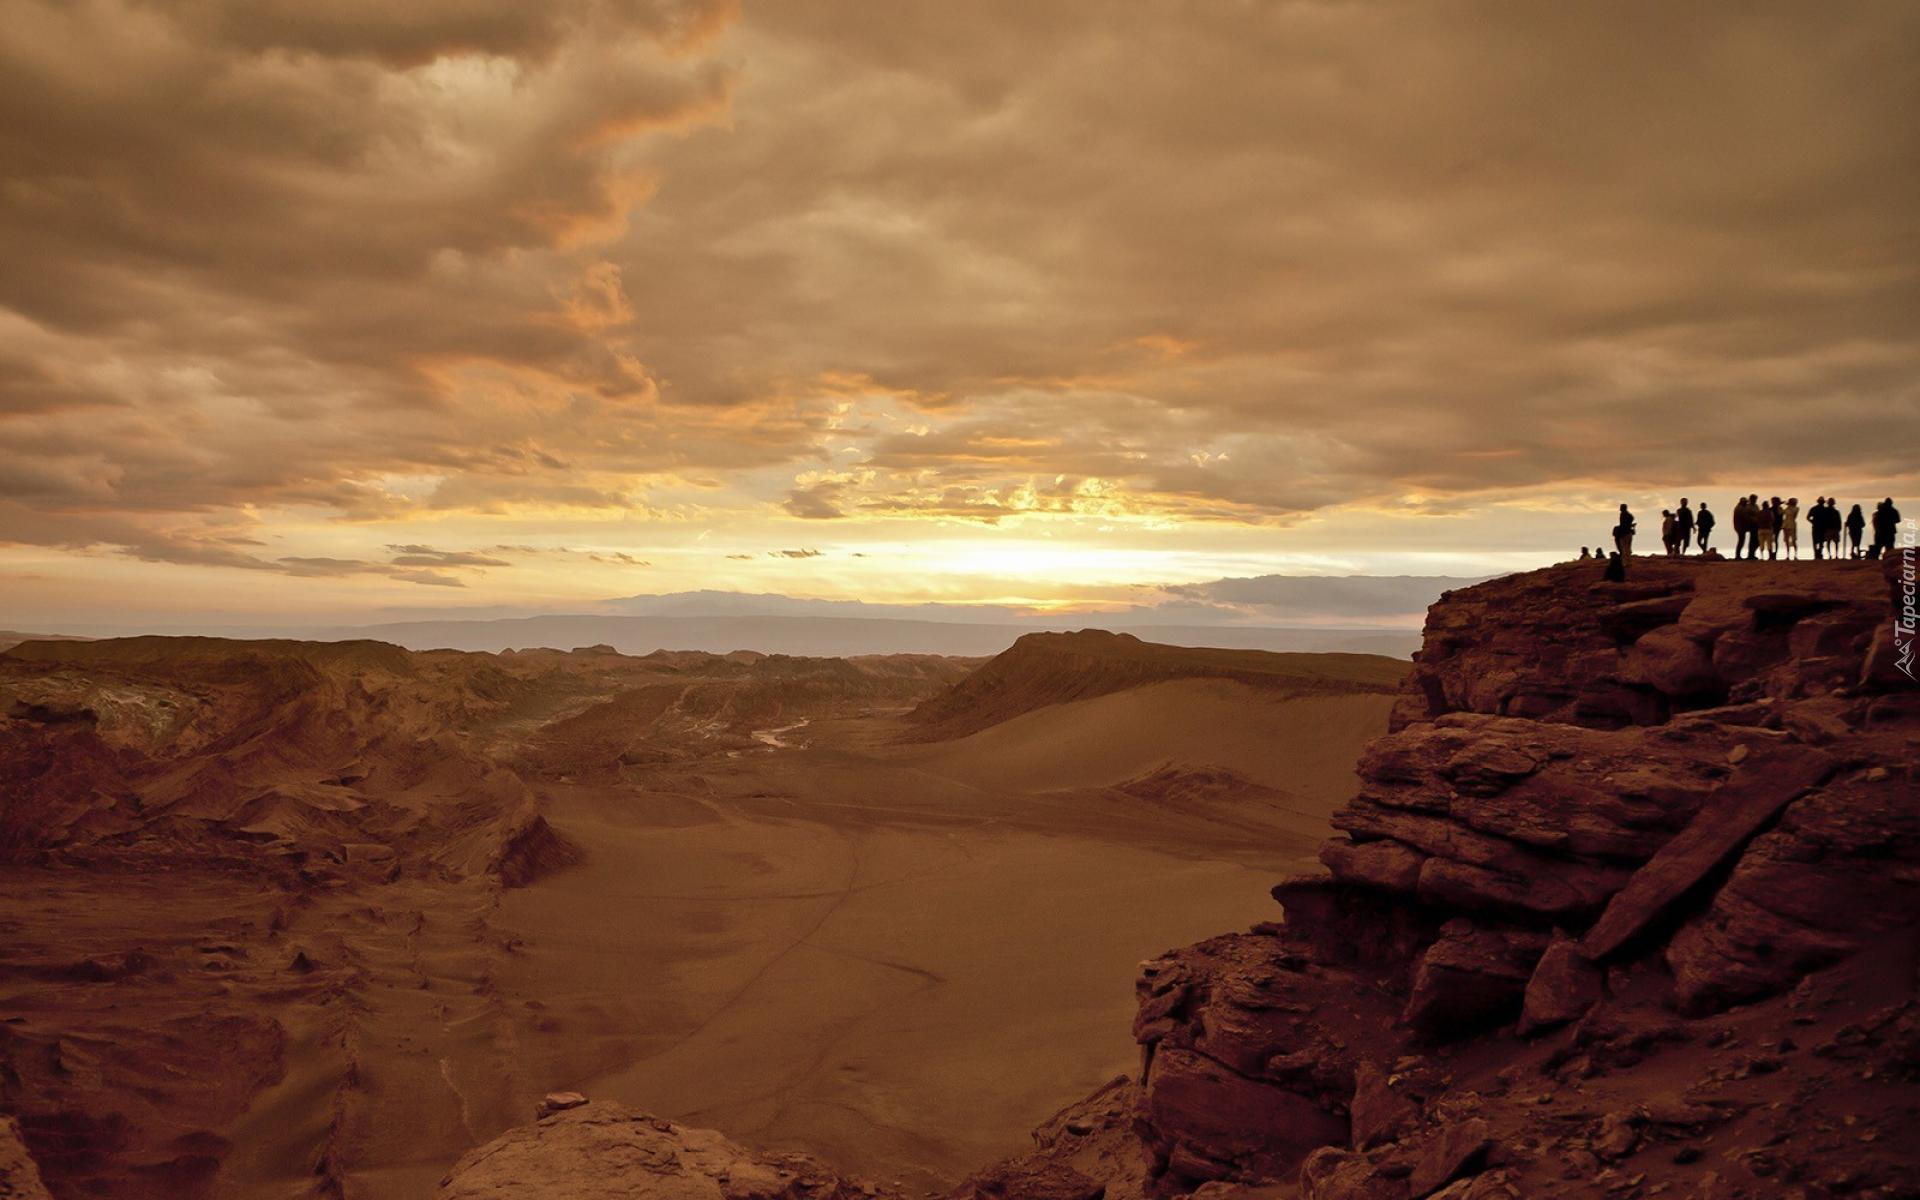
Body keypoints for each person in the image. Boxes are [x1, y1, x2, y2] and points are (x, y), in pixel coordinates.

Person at [1733, 495, 1756, 560]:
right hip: (1741, 527)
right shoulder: (1741, 509)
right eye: (1745, 502)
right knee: (1741, 541)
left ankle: (1738, 555)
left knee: (1741, 541)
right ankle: (1738, 556)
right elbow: (1746, 518)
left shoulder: (1739, 508)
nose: (1746, 503)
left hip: (1739, 527)